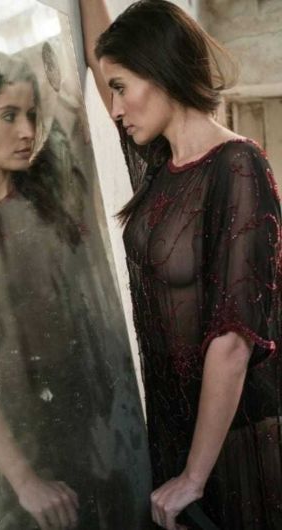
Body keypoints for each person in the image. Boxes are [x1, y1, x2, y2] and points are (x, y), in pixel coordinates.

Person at [0, 50, 149, 530]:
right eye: (8, 115)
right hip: (29, 440)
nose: (27, 131)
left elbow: (92, 77)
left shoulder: (46, 191)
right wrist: (24, 480)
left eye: (32, 115)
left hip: (106, 420)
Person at [80, 1, 282, 529]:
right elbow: (102, 60)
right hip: (175, 430)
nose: (115, 108)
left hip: (232, 441)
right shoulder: (157, 164)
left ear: (160, 70)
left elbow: (233, 339)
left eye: (121, 88)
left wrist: (194, 476)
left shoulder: (238, 165)